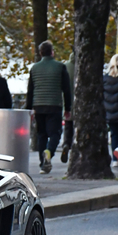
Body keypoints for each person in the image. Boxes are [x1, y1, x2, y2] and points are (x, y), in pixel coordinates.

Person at [25, 40, 72, 174]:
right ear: (52, 52)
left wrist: (29, 108)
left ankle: (43, 165)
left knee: (41, 135)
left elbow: (30, 90)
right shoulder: (60, 66)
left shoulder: (34, 68)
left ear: (40, 53)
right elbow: (66, 89)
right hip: (54, 105)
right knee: (55, 133)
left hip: (38, 106)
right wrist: (68, 108)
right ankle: (49, 152)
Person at [61, 52, 75, 163]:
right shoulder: (82, 67)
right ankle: (75, 145)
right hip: (81, 103)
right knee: (78, 127)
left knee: (68, 125)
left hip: (68, 102)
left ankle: (66, 143)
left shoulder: (65, 66)